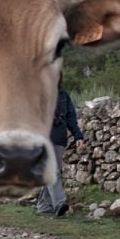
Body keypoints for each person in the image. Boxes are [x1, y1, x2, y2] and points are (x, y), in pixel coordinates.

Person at [36, 78, 84, 217]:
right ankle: (59, 203)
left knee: (54, 171)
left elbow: (71, 118)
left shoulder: (64, 96)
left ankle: (44, 205)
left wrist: (78, 136)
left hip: (59, 138)